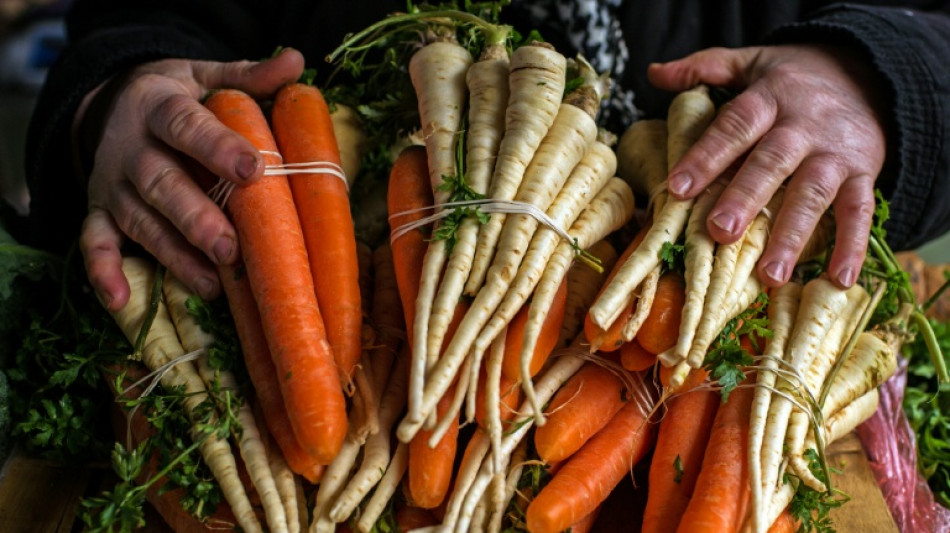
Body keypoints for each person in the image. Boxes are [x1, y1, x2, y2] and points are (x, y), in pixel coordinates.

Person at [22, 0, 950, 312]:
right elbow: (130, 29)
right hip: (289, 284)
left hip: (704, 331)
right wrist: (107, 107)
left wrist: (870, 83)